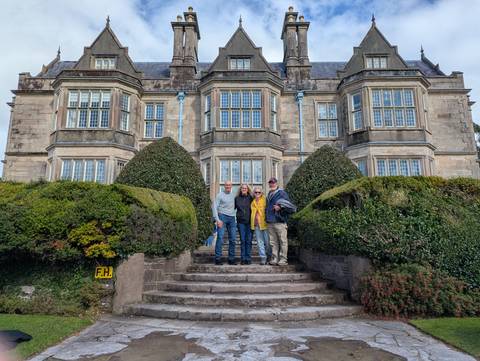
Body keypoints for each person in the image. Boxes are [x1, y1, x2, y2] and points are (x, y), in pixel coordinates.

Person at [266, 177, 294, 266]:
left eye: (273, 183)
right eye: (270, 183)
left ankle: (283, 259)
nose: (272, 184)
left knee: (283, 241)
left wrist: (280, 207)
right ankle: (275, 258)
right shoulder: (269, 193)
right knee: (273, 242)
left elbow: (289, 205)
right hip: (270, 221)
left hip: (280, 221)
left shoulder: (282, 193)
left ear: (276, 183)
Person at [212, 181, 237, 265]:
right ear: (224, 186)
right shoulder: (220, 195)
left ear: (231, 186)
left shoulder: (234, 195)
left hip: (232, 218)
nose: (228, 186)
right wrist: (217, 219)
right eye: (226, 185)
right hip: (222, 217)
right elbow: (214, 207)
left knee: (233, 239)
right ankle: (218, 258)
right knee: (220, 237)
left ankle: (231, 259)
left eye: (229, 185)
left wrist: (236, 218)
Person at [251, 186, 271, 265]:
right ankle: (263, 258)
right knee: (260, 243)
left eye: (259, 192)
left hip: (265, 224)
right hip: (256, 225)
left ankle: (269, 256)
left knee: (267, 242)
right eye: (256, 192)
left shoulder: (265, 200)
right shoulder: (252, 202)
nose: (257, 193)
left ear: (261, 193)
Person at [235, 184, 253, 264]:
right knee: (242, 240)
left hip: (250, 222)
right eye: (242, 188)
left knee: (248, 241)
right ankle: (243, 259)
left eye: (245, 188)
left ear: (248, 189)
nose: (244, 189)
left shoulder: (251, 198)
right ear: (240, 189)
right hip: (240, 222)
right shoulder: (237, 199)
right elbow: (232, 208)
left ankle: (248, 259)